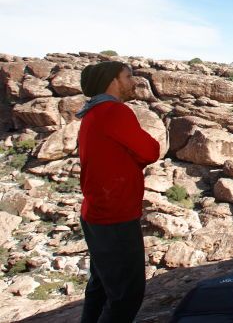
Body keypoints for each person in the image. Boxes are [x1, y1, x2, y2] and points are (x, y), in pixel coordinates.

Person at [76, 61, 161, 323]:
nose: (133, 81)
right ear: (113, 80)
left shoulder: (91, 113)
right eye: (128, 76)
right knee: (126, 294)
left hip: (95, 213)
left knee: (101, 286)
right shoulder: (114, 111)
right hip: (115, 216)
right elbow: (151, 151)